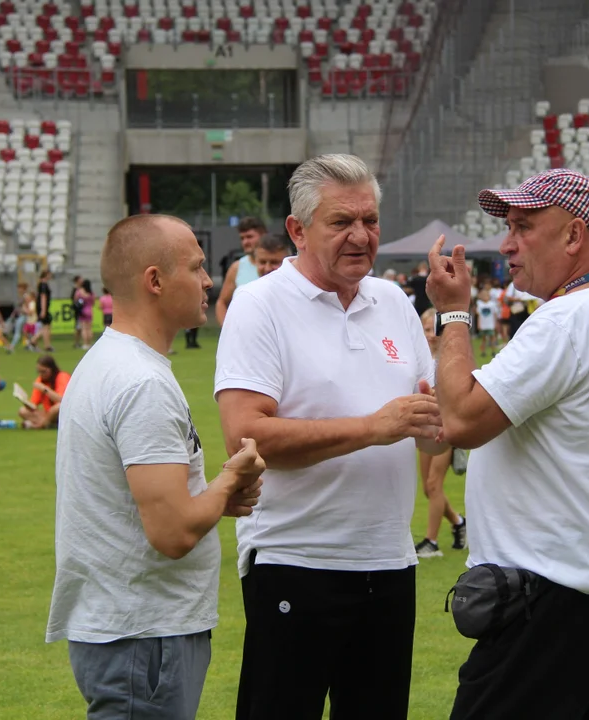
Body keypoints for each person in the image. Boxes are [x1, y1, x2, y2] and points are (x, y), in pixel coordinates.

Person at [428, 168, 589, 719]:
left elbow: (464, 418)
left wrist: (452, 313)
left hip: (553, 592)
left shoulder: (566, 320)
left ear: (572, 236)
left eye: (523, 226)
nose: (507, 243)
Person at [214, 153, 444, 720]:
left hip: (389, 562)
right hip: (297, 559)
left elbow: (432, 431)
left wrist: (443, 416)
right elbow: (246, 437)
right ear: (297, 230)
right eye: (341, 222)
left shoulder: (391, 301)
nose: (360, 235)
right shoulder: (259, 304)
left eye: (369, 220)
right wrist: (373, 428)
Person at [45, 214, 265, 720]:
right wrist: (232, 475)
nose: (209, 280)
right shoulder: (141, 383)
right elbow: (171, 532)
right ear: (155, 281)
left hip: (133, 631)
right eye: (197, 267)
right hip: (144, 635)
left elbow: (154, 506)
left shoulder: (109, 362)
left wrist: (214, 500)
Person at [414, 308, 467, 558]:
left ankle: (431, 542)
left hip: (446, 428)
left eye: (435, 329)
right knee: (427, 488)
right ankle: (458, 522)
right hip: (426, 427)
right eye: (426, 329)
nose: (430, 335)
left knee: (435, 484)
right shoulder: (419, 359)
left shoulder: (451, 359)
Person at [215, 216, 267, 326]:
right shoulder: (237, 267)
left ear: (263, 235)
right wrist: (228, 330)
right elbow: (221, 303)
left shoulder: (279, 264)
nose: (245, 242)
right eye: (242, 238)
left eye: (249, 237)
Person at [20, 354, 70, 429]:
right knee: (22, 411)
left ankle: (39, 426)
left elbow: (62, 400)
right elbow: (34, 404)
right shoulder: (40, 380)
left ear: (52, 369)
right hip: (48, 413)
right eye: (39, 372)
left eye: (44, 372)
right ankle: (48, 424)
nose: (41, 374)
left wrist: (45, 389)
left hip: (62, 412)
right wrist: (27, 404)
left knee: (57, 407)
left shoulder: (62, 376)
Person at [474, 285, 499, 356]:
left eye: (486, 295)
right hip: (483, 325)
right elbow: (478, 315)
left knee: (492, 338)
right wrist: (479, 324)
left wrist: (495, 323)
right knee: (483, 339)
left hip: (490, 324)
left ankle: (493, 351)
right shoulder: (480, 305)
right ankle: (483, 352)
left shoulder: (492, 304)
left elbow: (494, 314)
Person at [35, 270, 54, 351]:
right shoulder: (43, 285)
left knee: (46, 326)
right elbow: (43, 297)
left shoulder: (41, 284)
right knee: (45, 327)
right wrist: (43, 310)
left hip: (43, 307)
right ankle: (46, 345)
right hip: (43, 307)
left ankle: (34, 341)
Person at [76, 279, 95, 349]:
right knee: (89, 329)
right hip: (89, 310)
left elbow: (76, 300)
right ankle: (89, 343)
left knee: (84, 328)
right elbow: (93, 302)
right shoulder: (91, 293)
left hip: (83, 310)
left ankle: (85, 343)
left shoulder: (80, 292)